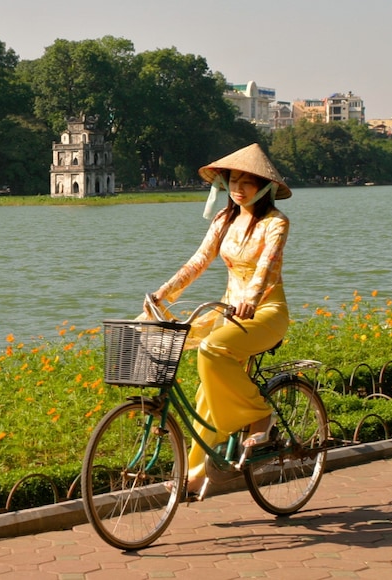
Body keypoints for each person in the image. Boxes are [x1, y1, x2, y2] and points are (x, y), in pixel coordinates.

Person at [147, 143, 292, 497]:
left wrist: (250, 300)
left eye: (247, 182)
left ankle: (260, 415)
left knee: (210, 350)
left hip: (265, 312)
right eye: (233, 181)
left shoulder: (275, 223)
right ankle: (197, 476)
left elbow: (266, 268)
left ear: (265, 187)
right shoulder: (224, 220)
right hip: (229, 311)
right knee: (206, 393)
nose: (238, 188)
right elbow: (198, 261)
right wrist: (164, 292)